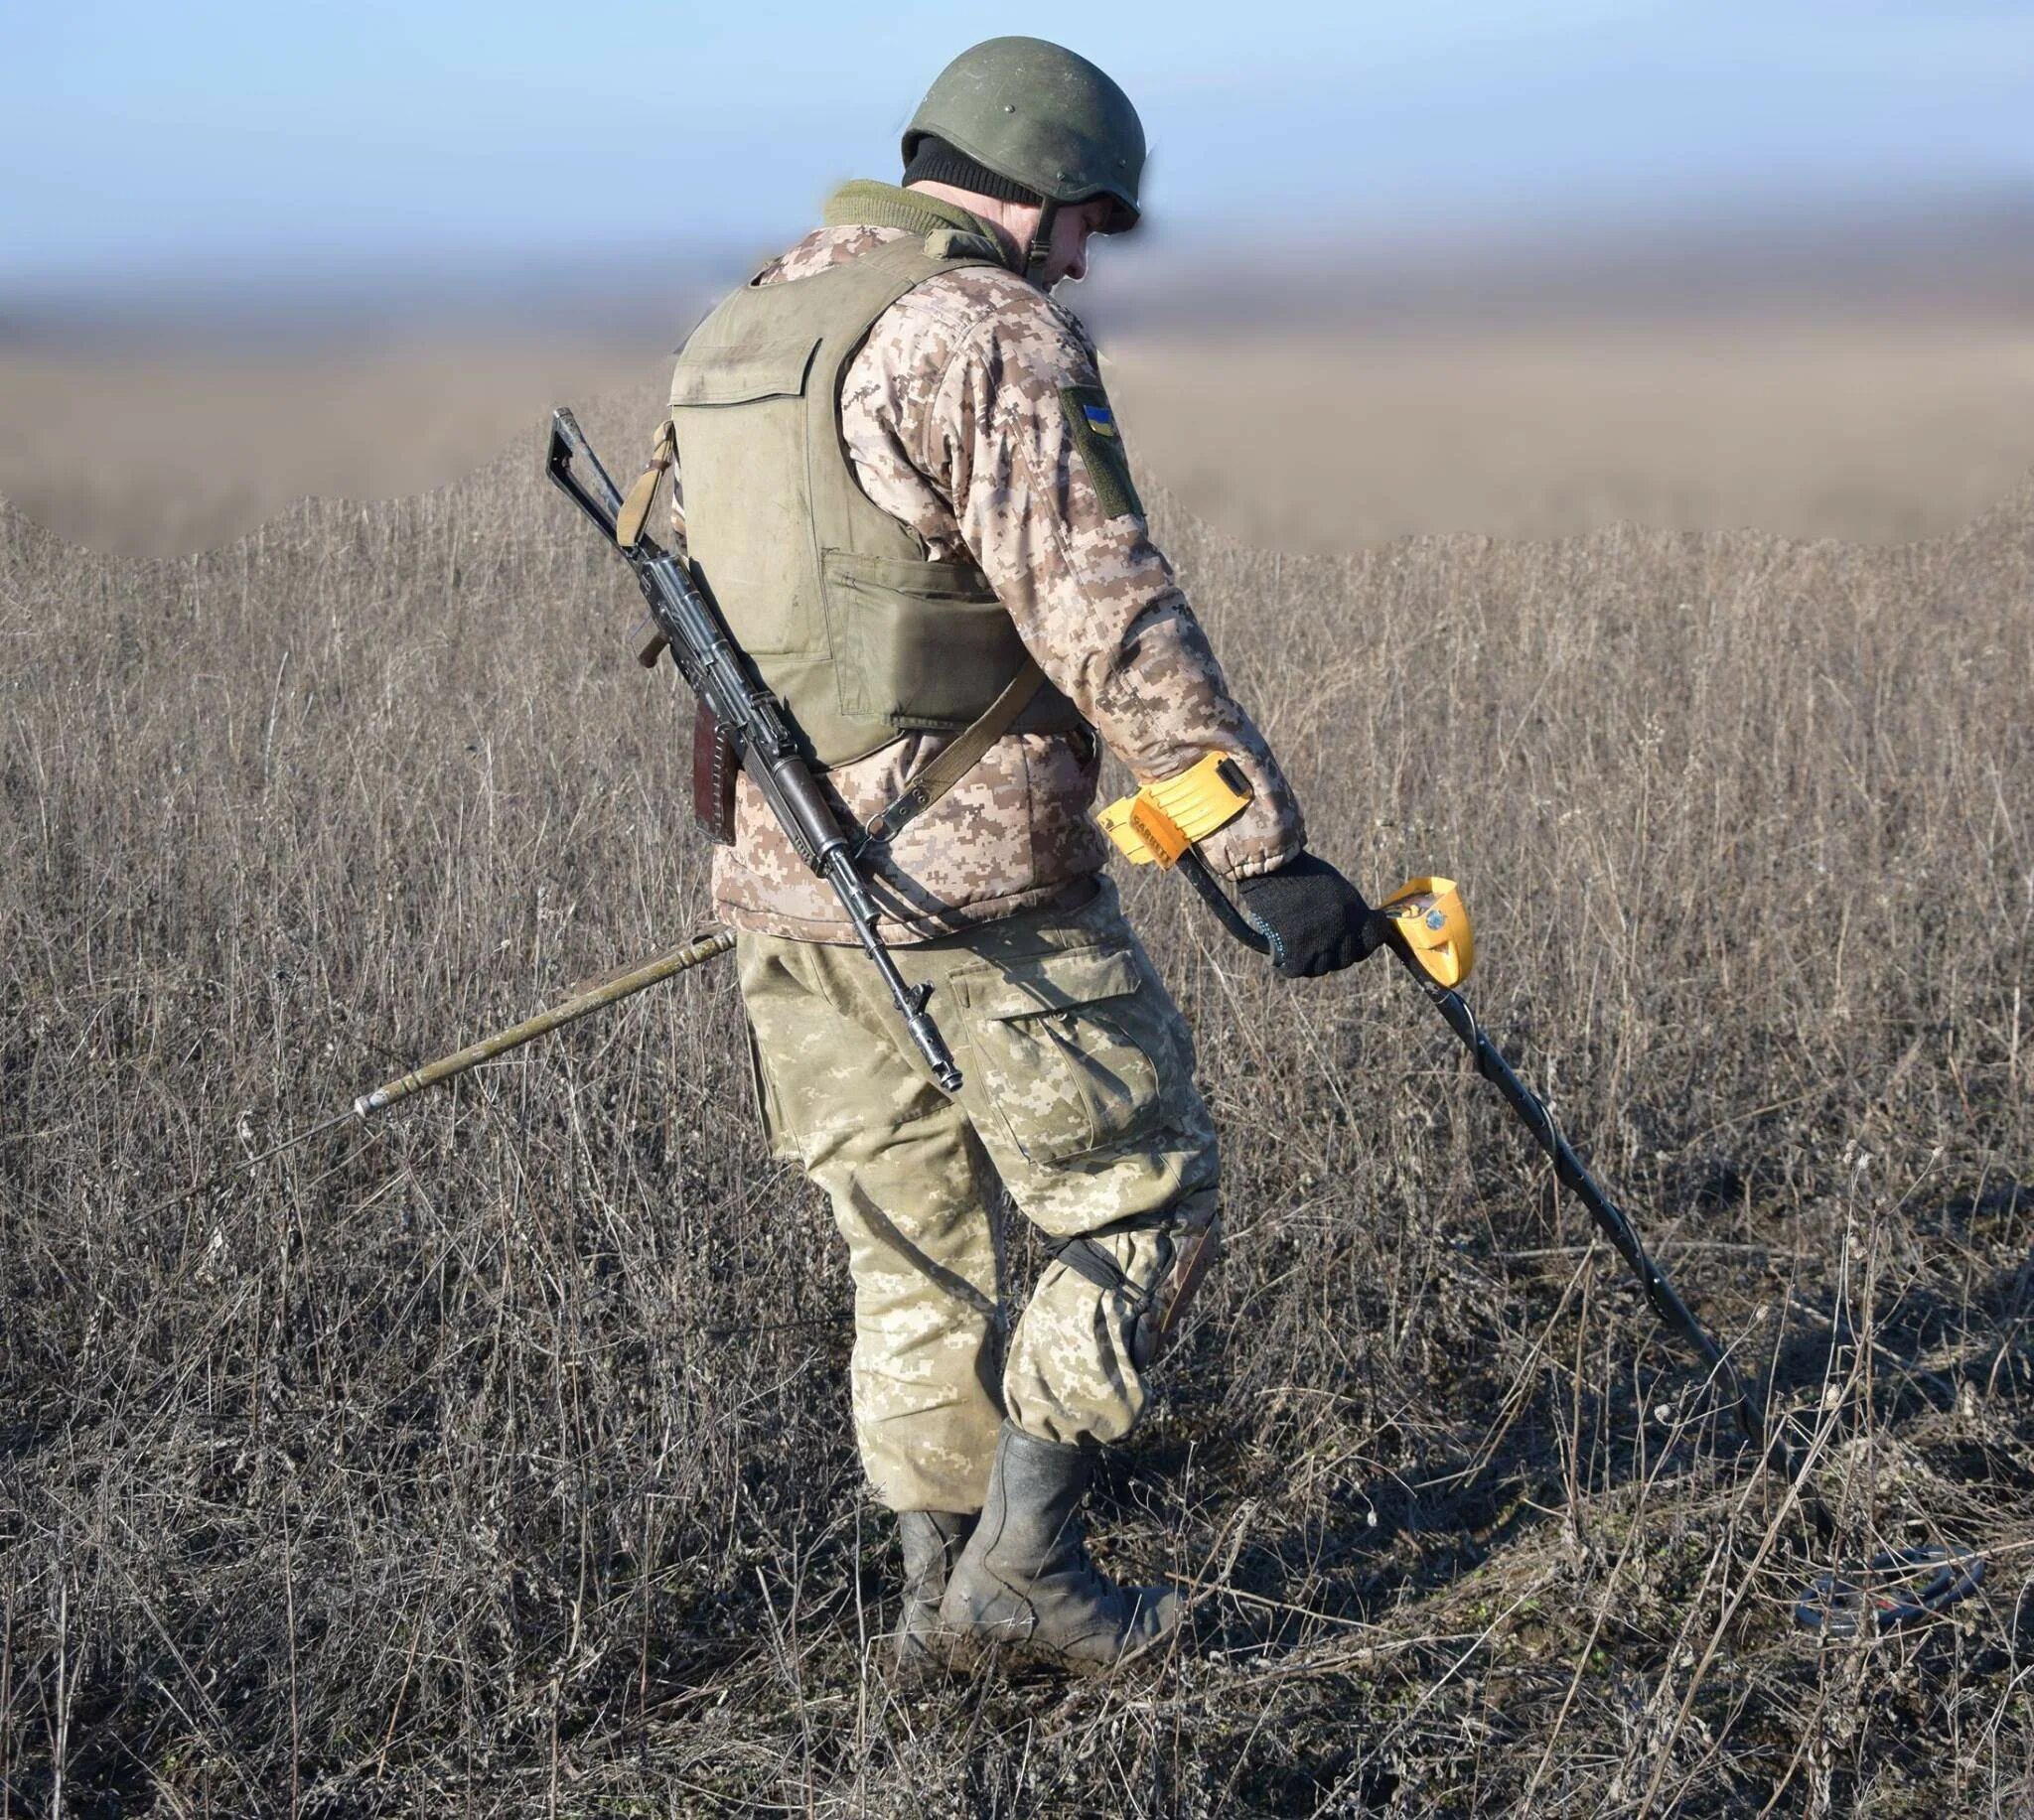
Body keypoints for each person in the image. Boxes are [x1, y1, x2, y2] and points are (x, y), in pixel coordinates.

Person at [660, 36, 1380, 1675]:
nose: (1083, 257)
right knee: (1144, 1206)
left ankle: (935, 1598)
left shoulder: (743, 321)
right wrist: (1261, 845)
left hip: (782, 884)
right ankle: (1024, 1572)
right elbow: (1102, 605)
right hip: (970, 887)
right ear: (1039, 185)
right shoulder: (981, 331)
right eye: (1088, 219)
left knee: (905, 1245)